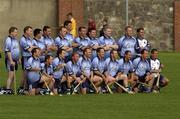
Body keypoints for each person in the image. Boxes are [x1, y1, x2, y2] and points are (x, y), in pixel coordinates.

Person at [19, 26, 37, 93]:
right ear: (26, 31)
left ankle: (26, 88)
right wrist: (32, 47)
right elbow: (29, 50)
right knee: (25, 74)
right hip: (25, 58)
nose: (31, 32)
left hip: (30, 58)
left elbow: (35, 47)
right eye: (30, 31)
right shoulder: (22, 39)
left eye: (31, 31)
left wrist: (32, 47)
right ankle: (21, 88)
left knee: (29, 74)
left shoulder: (29, 39)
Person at [4, 27, 20, 94]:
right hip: (10, 60)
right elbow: (8, 51)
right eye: (15, 32)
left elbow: (16, 49)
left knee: (13, 75)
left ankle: (10, 89)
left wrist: (18, 58)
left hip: (15, 60)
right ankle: (7, 89)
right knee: (11, 75)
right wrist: (11, 61)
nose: (16, 33)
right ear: (11, 32)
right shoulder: (8, 40)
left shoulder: (15, 40)